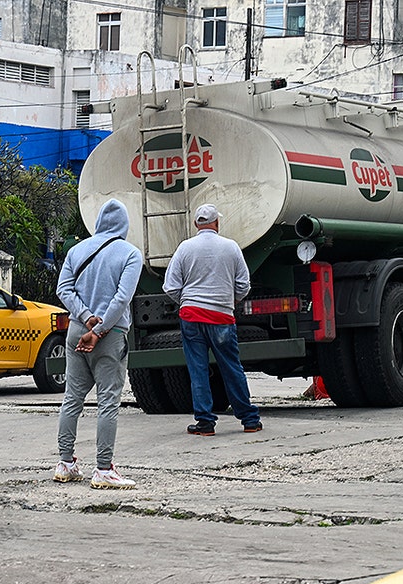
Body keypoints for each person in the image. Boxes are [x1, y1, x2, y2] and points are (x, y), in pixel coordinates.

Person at [54, 199, 142, 489]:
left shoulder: (76, 251)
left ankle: (65, 463)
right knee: (108, 401)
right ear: (124, 225)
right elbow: (122, 298)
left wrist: (86, 317)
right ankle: (104, 468)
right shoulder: (130, 254)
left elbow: (63, 289)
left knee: (72, 398)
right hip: (110, 335)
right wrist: (101, 327)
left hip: (77, 332)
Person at [163, 204, 262, 436]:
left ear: (196, 224)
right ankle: (249, 420)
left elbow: (170, 286)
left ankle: (205, 423)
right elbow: (243, 284)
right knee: (231, 367)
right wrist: (229, 301)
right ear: (217, 223)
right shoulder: (231, 247)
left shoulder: (185, 248)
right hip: (221, 316)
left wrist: (187, 301)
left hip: (191, 317)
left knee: (198, 370)